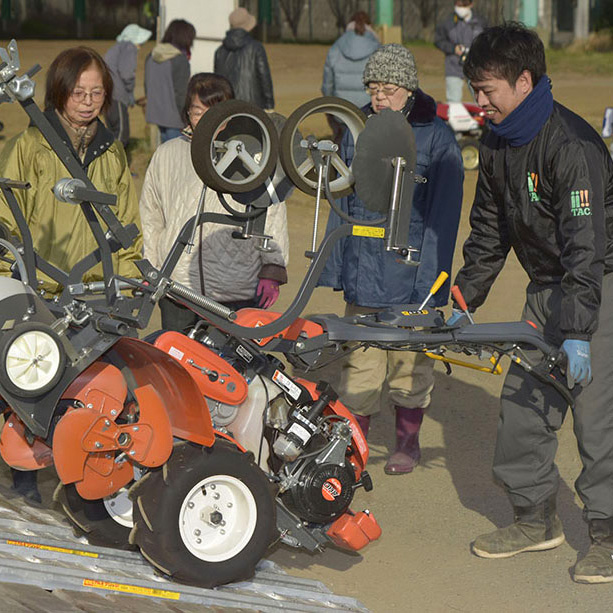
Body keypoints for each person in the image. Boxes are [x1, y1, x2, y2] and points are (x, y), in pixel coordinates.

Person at [449, 22, 613, 583]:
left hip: (596, 286)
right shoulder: (496, 142)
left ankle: (608, 536)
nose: (479, 103)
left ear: (524, 81)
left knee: (597, 420)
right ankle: (535, 520)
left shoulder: (573, 145)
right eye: (476, 90)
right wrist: (465, 294)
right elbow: (490, 226)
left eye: (488, 90)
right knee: (523, 409)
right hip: (544, 289)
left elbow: (587, 247)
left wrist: (578, 328)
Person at [0, 46, 143, 502]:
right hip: (38, 284)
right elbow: (8, 214)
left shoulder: (111, 151)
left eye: (96, 92)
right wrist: (12, 277)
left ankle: (81, 478)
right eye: (78, 91)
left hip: (95, 287)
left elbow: (127, 223)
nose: (87, 100)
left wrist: (125, 282)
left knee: (84, 386)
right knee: (27, 376)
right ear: (59, 93)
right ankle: (23, 477)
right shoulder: (29, 147)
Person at [319, 44, 464, 475]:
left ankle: (407, 442)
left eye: (388, 89)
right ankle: (356, 447)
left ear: (409, 89)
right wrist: (337, 264)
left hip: (410, 272)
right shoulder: (355, 128)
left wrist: (431, 283)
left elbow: (443, 217)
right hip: (365, 266)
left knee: (410, 364)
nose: (379, 97)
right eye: (373, 88)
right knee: (359, 364)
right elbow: (340, 202)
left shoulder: (437, 138)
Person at [139, 73, 289, 332]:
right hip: (178, 286)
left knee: (232, 366)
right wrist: (151, 267)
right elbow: (152, 214)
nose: (207, 118)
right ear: (187, 113)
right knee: (179, 365)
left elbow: (272, 210)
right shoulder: (168, 154)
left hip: (235, 287)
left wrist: (272, 268)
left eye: (215, 110)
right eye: (198, 111)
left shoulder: (253, 154)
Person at [321, 11, 380, 144]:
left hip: (342, 110)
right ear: (370, 26)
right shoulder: (377, 48)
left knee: (342, 147)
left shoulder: (336, 47)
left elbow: (327, 84)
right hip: (369, 110)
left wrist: (330, 109)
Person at [144, 19, 196, 143]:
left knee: (165, 153)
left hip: (156, 113)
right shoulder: (180, 60)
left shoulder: (152, 55)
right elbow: (181, 93)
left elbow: (146, 85)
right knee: (176, 156)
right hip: (175, 118)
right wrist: (187, 117)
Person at [214, 7, 274, 110]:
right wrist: (269, 105)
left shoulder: (220, 51)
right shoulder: (256, 48)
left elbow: (217, 83)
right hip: (253, 106)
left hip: (227, 108)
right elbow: (264, 78)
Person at [104, 23, 152, 149]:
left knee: (111, 133)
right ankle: (115, 165)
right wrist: (130, 93)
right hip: (117, 96)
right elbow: (127, 73)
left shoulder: (116, 48)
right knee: (121, 135)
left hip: (108, 95)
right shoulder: (129, 47)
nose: (141, 46)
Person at [434, 0, 487, 102]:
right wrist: (453, 48)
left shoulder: (481, 22)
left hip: (475, 67)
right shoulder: (447, 22)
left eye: (464, 5)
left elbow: (488, 40)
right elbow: (438, 40)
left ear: (471, 4)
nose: (461, 8)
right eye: (458, 5)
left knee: (481, 99)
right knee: (454, 101)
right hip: (453, 66)